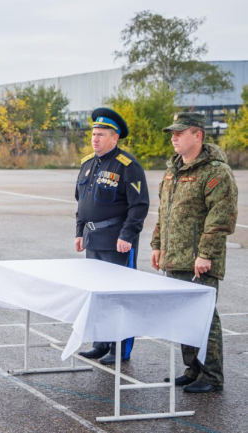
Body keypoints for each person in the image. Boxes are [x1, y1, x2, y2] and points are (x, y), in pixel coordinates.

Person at [152, 113, 238, 393]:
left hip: (199, 260)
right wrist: (157, 245)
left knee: (204, 317)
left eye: (180, 133)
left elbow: (221, 217)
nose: (174, 138)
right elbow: (163, 213)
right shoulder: (173, 170)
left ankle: (211, 376)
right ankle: (193, 369)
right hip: (174, 257)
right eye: (172, 134)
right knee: (183, 316)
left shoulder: (215, 172)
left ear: (198, 135)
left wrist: (206, 254)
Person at [75, 108, 149, 365]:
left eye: (101, 135)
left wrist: (127, 235)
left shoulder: (127, 166)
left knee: (119, 297)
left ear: (115, 138)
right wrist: (79, 232)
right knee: (98, 294)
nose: (95, 139)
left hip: (117, 241)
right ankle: (101, 343)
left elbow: (139, 205)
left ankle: (120, 349)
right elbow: (81, 202)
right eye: (93, 134)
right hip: (92, 239)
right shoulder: (88, 164)